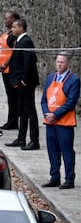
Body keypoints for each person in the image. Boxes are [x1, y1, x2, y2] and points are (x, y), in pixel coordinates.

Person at [40, 53, 80, 189]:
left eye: (62, 62)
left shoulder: (74, 80)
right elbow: (44, 99)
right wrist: (46, 113)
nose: (59, 64)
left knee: (67, 151)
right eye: (58, 62)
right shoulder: (51, 77)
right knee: (52, 151)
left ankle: (69, 179)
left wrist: (55, 114)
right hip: (50, 122)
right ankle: (54, 177)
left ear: (68, 64)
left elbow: (71, 102)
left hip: (64, 123)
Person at [5, 19, 40, 150]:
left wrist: (23, 80)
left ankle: (34, 140)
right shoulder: (18, 41)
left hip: (26, 83)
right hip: (20, 82)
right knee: (22, 111)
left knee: (30, 111)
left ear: (21, 28)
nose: (12, 29)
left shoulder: (26, 42)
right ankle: (21, 138)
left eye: (14, 27)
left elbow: (29, 62)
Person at [0, 11, 21, 130]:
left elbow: (14, 52)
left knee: (13, 97)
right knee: (10, 96)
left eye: (8, 18)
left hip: (10, 70)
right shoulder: (6, 34)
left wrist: (5, 64)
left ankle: (13, 121)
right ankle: (12, 119)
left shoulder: (14, 37)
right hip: (4, 70)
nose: (5, 20)